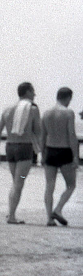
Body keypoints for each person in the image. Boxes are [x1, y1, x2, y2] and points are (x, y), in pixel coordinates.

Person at [0, 82, 43, 224]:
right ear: (27, 92)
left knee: (15, 182)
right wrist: (42, 149)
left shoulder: (7, 110)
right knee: (19, 183)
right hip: (24, 148)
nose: (34, 95)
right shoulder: (32, 109)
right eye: (33, 91)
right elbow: (38, 131)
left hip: (10, 148)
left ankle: (11, 213)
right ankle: (12, 216)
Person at [41, 87, 77, 227]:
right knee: (71, 185)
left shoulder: (46, 113)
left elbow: (43, 136)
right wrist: (75, 156)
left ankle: (49, 219)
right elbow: (71, 135)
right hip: (64, 151)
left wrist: (42, 154)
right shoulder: (68, 113)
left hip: (50, 151)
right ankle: (58, 209)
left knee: (49, 186)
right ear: (68, 97)